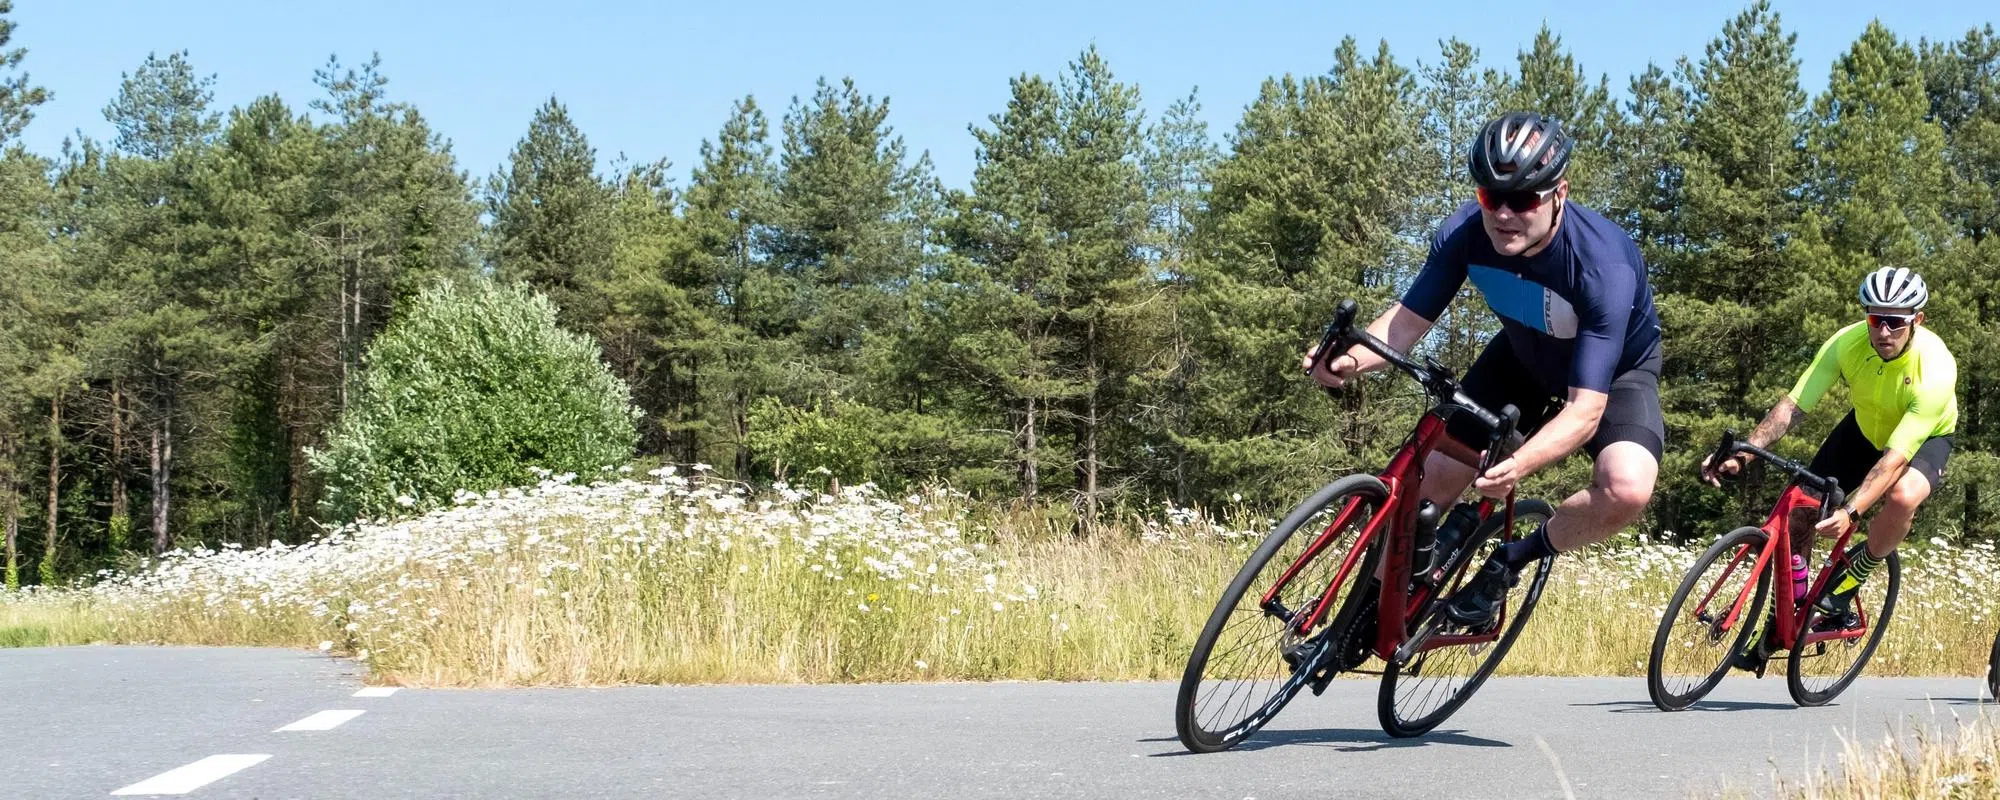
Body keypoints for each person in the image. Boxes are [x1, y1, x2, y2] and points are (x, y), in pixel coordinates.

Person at [1306, 111, 1665, 630]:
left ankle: (1511, 560)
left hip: (1614, 376)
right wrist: (1345, 360)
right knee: (1427, 484)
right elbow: (1403, 327)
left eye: (1521, 200)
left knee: (1627, 487)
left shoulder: (1602, 266)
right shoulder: (1464, 236)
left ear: (1558, 193)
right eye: (1489, 197)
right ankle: (1362, 615)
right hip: (1520, 358)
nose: (1503, 214)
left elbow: (1585, 411)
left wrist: (1519, 465)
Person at [1704, 267, 1955, 670]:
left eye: (1896, 321)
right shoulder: (1847, 343)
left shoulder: (1936, 370)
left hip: (1923, 440)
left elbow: (1894, 460)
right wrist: (1745, 453)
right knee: (1799, 506)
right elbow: (1794, 407)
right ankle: (1780, 620)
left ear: (1917, 321)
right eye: (1876, 318)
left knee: (1903, 494)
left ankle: (1856, 574)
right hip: (1863, 429)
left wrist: (1851, 512)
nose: (1884, 330)